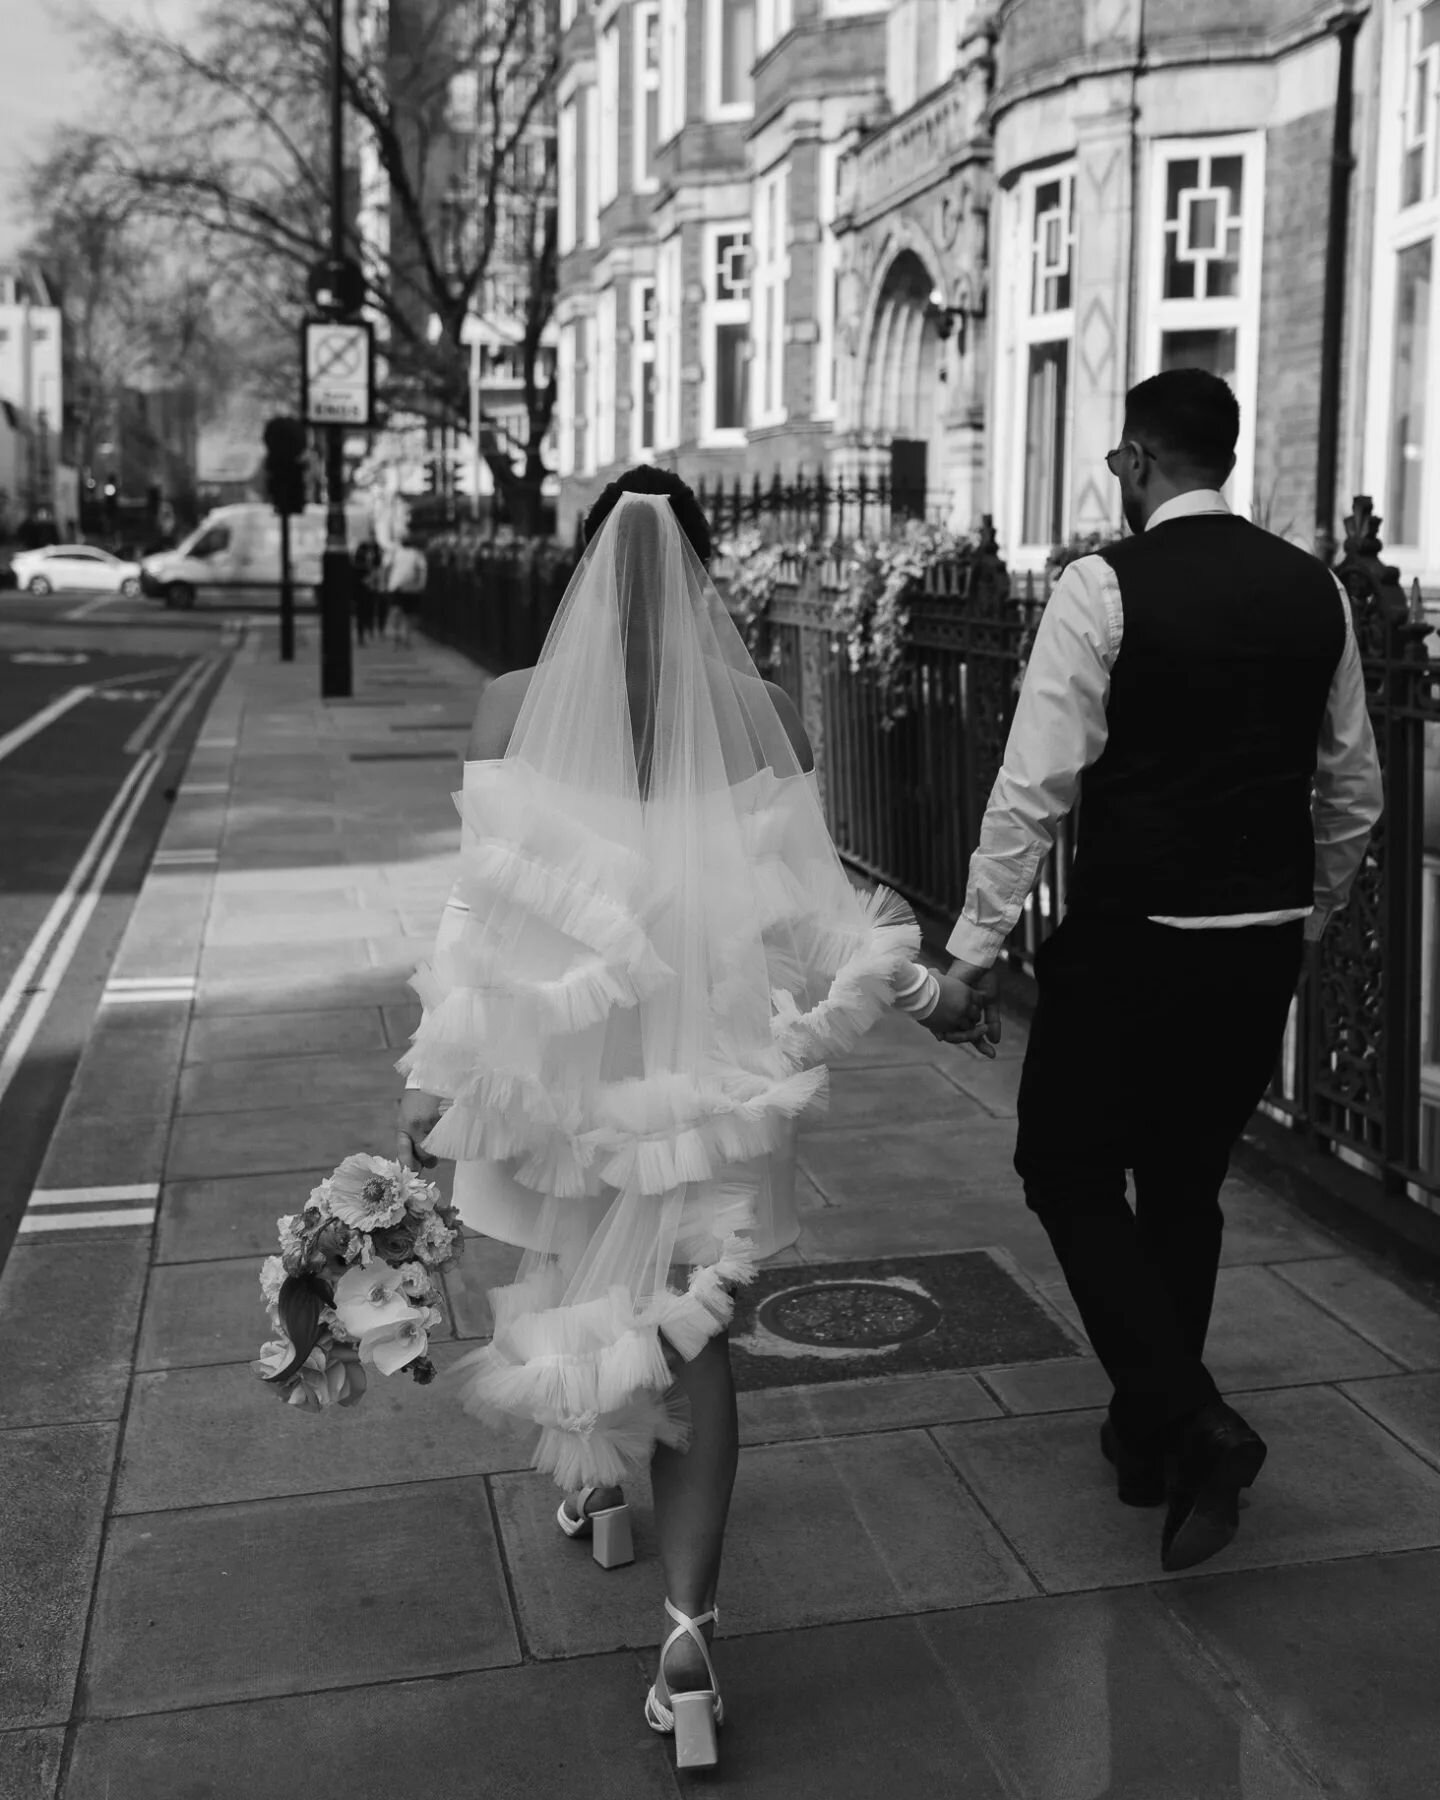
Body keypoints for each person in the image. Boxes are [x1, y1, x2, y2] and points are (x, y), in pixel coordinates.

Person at [393, 466, 962, 1769]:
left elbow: (480, 906)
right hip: (704, 1080)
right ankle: (690, 1644)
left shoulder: (508, 707)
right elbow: (811, 915)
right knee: (699, 1341)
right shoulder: (756, 712)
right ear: (703, 575)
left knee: (555, 1263)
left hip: (557, 1062)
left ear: (585, 573)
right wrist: (924, 987)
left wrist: (440, 1062)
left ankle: (596, 1485)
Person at [922, 367, 1383, 1574]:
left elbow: (1036, 786)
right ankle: (1146, 1445)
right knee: (1182, 1185)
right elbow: (1353, 790)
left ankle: (1193, 1419)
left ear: (1135, 462)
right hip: (1259, 942)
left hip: (1136, 937)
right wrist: (1310, 912)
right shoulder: (1316, 589)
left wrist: (971, 950)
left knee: (1064, 1166)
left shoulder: (1101, 585)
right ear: (1224, 458)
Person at [383, 534, 427, 645]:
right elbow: (386, 568)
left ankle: (406, 636)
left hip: (408, 587)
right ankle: (398, 634)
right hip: (397, 586)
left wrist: (421, 584)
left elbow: (422, 570)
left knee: (407, 614)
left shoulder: (416, 554)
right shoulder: (396, 553)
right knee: (398, 611)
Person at [353, 528, 383, 645]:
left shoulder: (377, 548)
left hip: (372, 585)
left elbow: (379, 564)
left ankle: (369, 628)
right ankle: (361, 635)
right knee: (362, 610)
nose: (372, 538)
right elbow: (356, 565)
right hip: (362, 585)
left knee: (371, 608)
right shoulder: (361, 549)